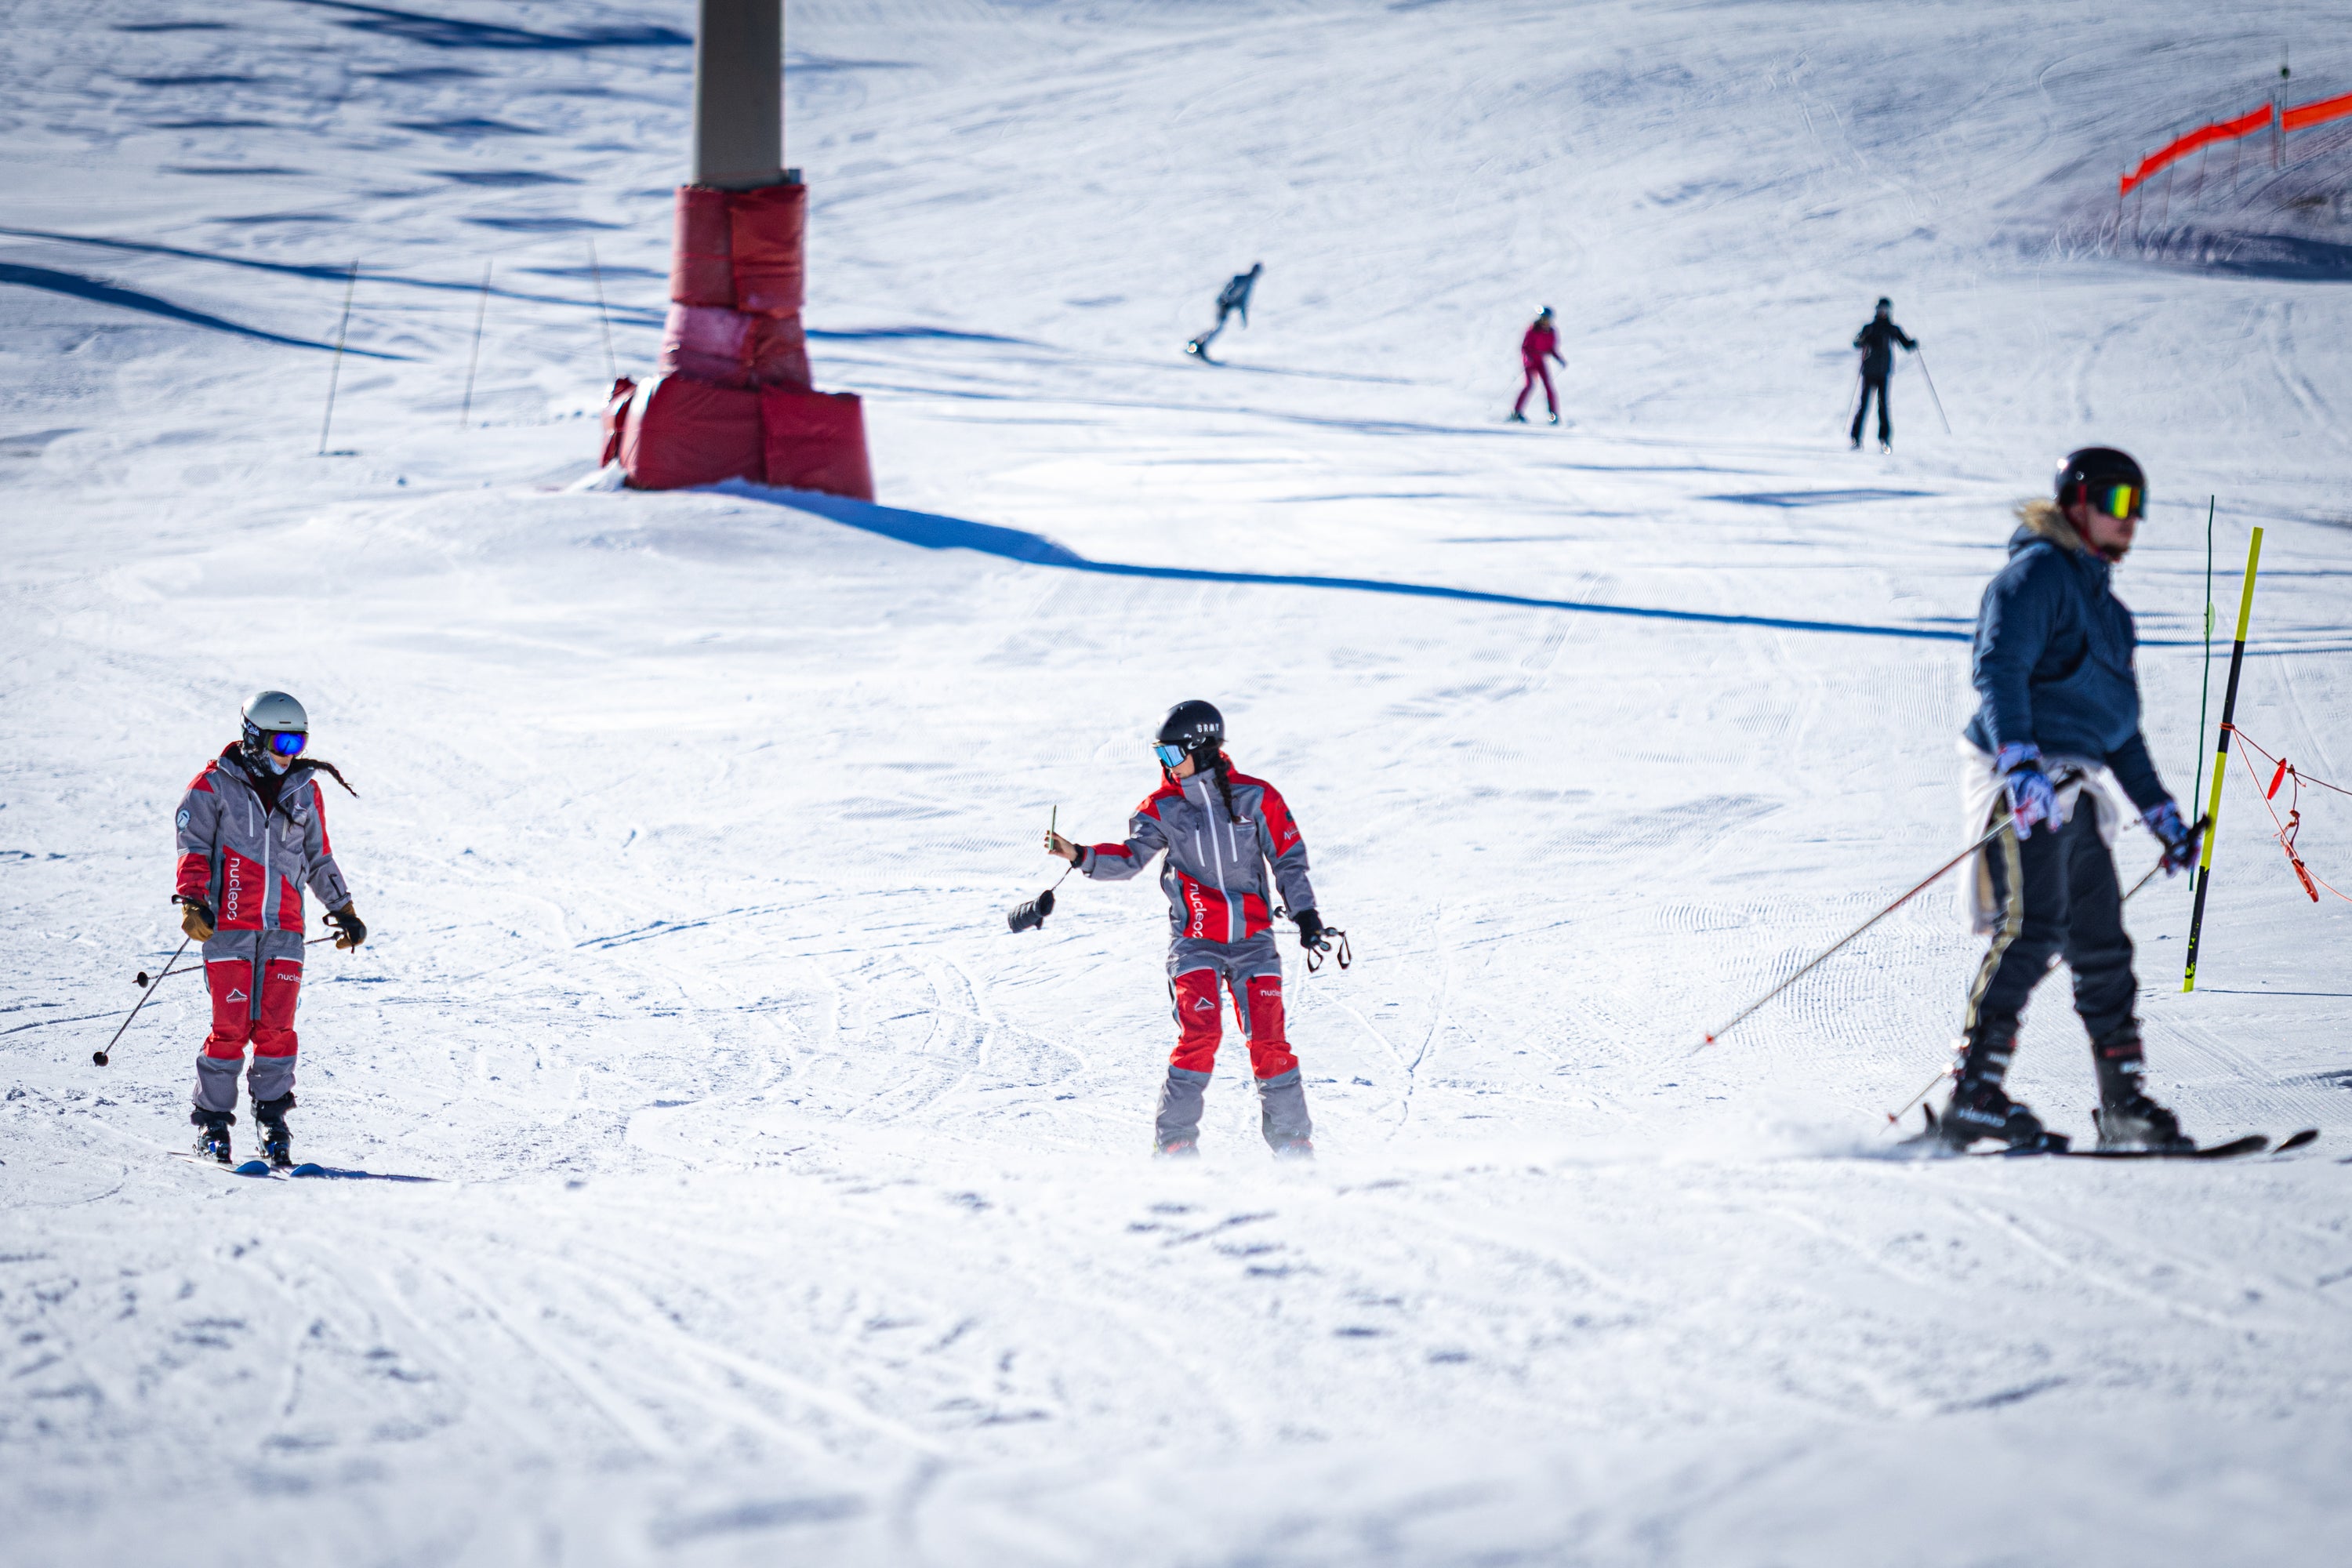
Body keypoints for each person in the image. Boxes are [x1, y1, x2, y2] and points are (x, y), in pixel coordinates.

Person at [1940, 448, 2201, 1152]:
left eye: (2138, 504)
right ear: (2077, 500)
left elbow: (2119, 729)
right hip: (2023, 780)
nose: (2132, 519)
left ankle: (2123, 1106)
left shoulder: (2110, 613)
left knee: (2101, 942)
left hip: (2075, 786)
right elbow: (1998, 668)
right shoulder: (2036, 575)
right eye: (2118, 501)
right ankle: (1974, 1095)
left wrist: (2162, 814)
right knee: (2036, 927)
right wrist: (2020, 761)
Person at [1046, 700, 1334, 1157]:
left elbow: (1288, 861)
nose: (1165, 766)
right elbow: (1130, 858)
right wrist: (1081, 855)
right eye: (1160, 756)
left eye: (1171, 755)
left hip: (1253, 943)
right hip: (1195, 942)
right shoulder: (1162, 808)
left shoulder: (1257, 798)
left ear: (1200, 749)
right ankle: (1175, 1142)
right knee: (1199, 1035)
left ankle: (1292, 1140)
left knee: (1269, 1040)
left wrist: (1306, 917)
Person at [174, 691, 367, 1167]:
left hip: (285, 928)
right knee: (230, 1028)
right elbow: (193, 845)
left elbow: (318, 856)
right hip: (229, 929)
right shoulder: (213, 786)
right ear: (254, 738)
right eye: (282, 742)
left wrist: (343, 909)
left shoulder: (304, 791)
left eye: (299, 742)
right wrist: (193, 900)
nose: (291, 754)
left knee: (277, 1029)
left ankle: (273, 1121)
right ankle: (213, 1124)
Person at [1850, 297, 1916, 451]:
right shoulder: (1870, 328)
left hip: (1884, 372)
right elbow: (1857, 343)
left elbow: (1905, 344)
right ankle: (1856, 439)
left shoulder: (1892, 329)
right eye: (1881, 310)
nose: (1883, 313)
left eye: (1885, 310)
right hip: (1869, 371)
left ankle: (1884, 440)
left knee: (1883, 406)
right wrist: (1862, 340)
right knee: (1864, 405)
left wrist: (1912, 343)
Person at [1185, 263, 1261, 359]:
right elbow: (1228, 290)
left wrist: (1243, 318)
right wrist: (1225, 302)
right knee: (1218, 327)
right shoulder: (1240, 279)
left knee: (1217, 327)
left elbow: (1243, 303)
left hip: (1227, 307)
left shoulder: (1249, 284)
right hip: (1223, 304)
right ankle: (1197, 346)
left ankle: (1195, 344)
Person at [1509, 307, 1565, 424]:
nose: (1545, 321)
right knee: (1530, 385)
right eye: (1543, 318)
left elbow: (1551, 349)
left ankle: (1553, 416)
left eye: (1547, 319)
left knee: (1549, 387)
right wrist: (1528, 358)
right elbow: (1525, 347)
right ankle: (1516, 413)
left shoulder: (1551, 332)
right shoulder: (1533, 329)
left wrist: (1560, 359)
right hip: (1530, 362)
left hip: (1540, 361)